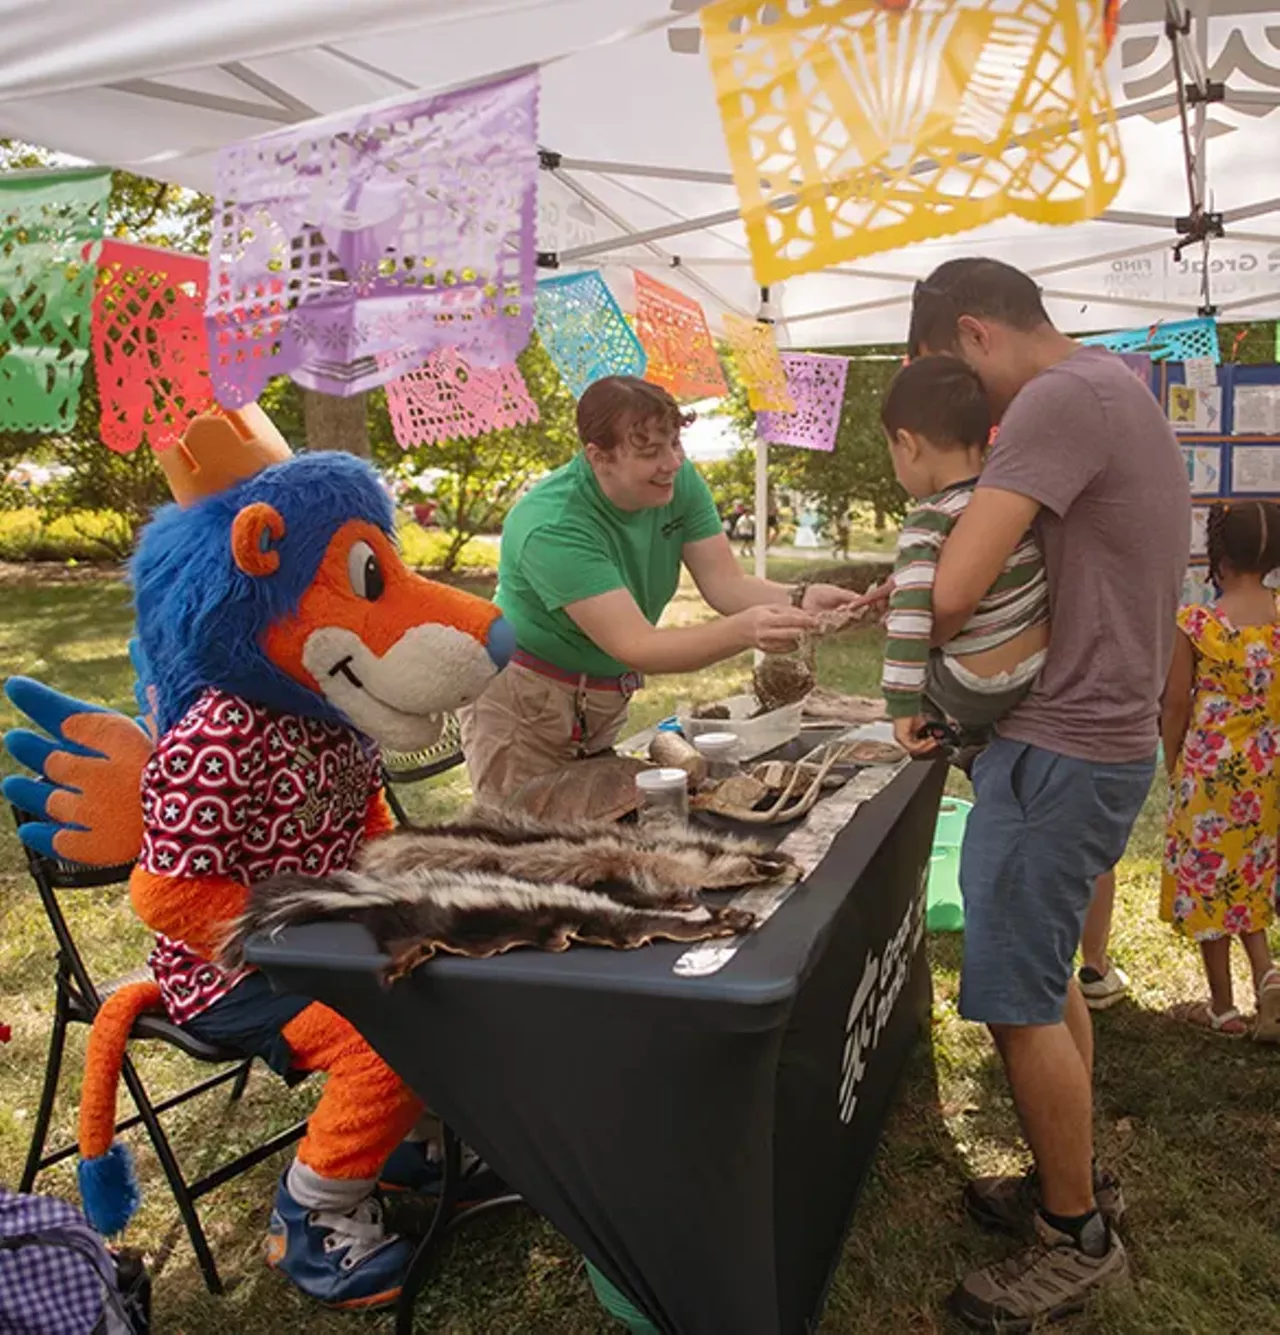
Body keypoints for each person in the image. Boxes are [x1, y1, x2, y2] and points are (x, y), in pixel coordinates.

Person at [906, 258, 1190, 1327]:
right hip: (1093, 742)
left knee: (1016, 998)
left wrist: (890, 584)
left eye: (945, 379)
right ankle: (1069, 1177)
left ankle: (1073, 1233)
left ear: (973, 335)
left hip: (1059, 749)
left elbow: (948, 594)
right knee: (1045, 973)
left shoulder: (1052, 402)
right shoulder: (1112, 384)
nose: (948, 414)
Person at [461, 376, 870, 801]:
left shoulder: (677, 482)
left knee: (600, 833)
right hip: (524, 703)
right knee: (527, 843)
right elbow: (637, 645)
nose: (672, 462)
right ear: (599, 457)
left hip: (598, 699)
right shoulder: (552, 524)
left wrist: (800, 598)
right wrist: (745, 631)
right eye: (650, 452)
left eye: (675, 443)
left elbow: (726, 583)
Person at [878, 355, 1048, 758]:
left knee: (904, 629)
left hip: (969, 687)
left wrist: (901, 705)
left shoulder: (929, 516)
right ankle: (973, 741)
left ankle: (943, 732)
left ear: (907, 444)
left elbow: (911, 618)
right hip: (1037, 670)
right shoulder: (1007, 499)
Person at [1160, 500, 1280, 1041]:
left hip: (1210, 769)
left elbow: (1175, 705)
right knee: (1251, 871)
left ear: (1219, 556)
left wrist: (1171, 760)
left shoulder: (1197, 623)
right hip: (1268, 770)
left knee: (1211, 878)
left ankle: (1224, 1009)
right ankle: (1268, 977)